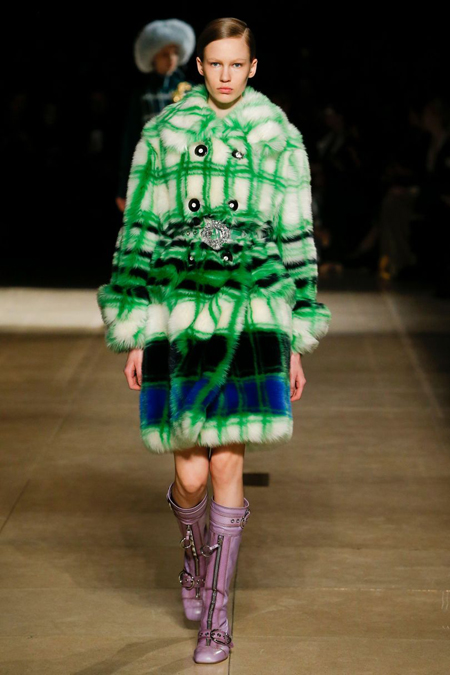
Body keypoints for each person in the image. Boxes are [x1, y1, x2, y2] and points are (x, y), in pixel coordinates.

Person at [97, 16, 332, 665]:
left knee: (227, 460)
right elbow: (138, 230)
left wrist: (295, 338)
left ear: (252, 67)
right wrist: (135, 326)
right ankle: (194, 559)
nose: (226, 75)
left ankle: (218, 615)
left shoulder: (277, 137)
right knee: (190, 472)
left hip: (252, 310)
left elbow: (296, 241)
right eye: (215, 63)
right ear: (199, 66)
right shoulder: (164, 134)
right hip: (176, 307)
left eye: (237, 64)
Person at [116, 19, 196, 213]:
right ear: (153, 57)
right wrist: (124, 188)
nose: (171, 59)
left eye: (175, 52)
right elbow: (131, 141)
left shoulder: (190, 91)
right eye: (164, 54)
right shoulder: (143, 96)